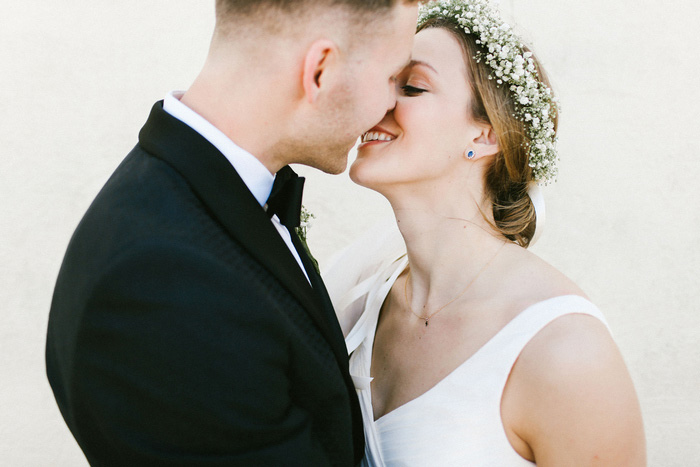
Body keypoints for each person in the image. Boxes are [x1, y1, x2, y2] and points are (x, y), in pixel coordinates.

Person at [45, 1, 418, 465]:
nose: (389, 105)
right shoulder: (161, 285)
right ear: (320, 70)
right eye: (390, 78)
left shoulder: (201, 195)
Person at [324, 0, 646, 464]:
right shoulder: (354, 300)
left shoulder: (564, 351)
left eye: (412, 86)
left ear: (485, 135)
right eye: (382, 80)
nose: (375, 102)